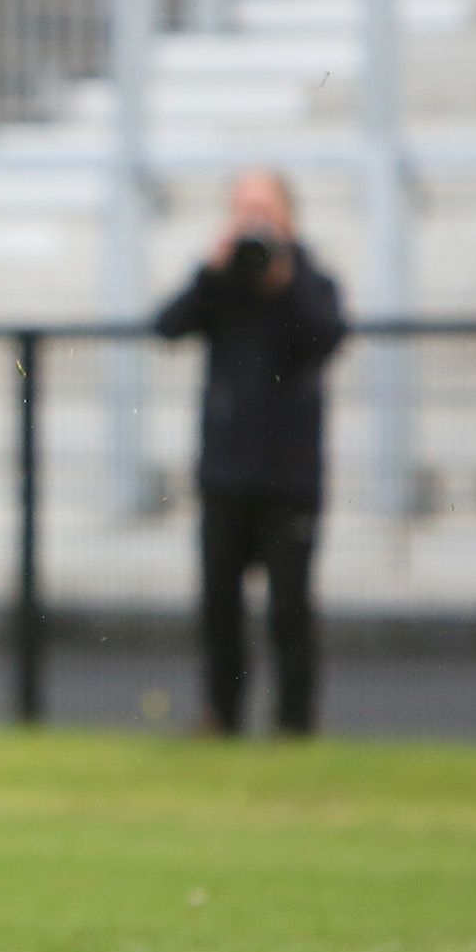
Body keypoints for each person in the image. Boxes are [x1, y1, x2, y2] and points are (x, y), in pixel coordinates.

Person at [155, 171, 347, 738]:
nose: (252, 220)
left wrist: (285, 280)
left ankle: (294, 725)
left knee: (290, 609)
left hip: (289, 475)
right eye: (242, 207)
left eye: (262, 207)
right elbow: (167, 326)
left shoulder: (308, 278)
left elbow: (328, 335)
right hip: (226, 472)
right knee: (220, 607)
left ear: (289, 214)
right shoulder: (223, 283)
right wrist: (211, 272)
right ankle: (222, 715)